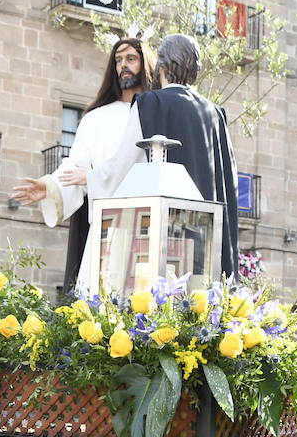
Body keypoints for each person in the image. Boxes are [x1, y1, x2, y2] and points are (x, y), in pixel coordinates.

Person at [85, 33, 240, 280]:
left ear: (162, 66)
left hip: (163, 235)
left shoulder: (150, 103)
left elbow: (124, 165)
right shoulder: (215, 113)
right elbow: (227, 182)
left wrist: (89, 179)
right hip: (206, 238)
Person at [10, 38, 156, 292]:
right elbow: (76, 166)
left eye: (131, 59)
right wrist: (51, 185)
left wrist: (92, 177)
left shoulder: (157, 113)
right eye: (118, 60)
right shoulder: (96, 118)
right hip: (108, 225)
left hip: (149, 223)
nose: (124, 66)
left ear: (145, 64)